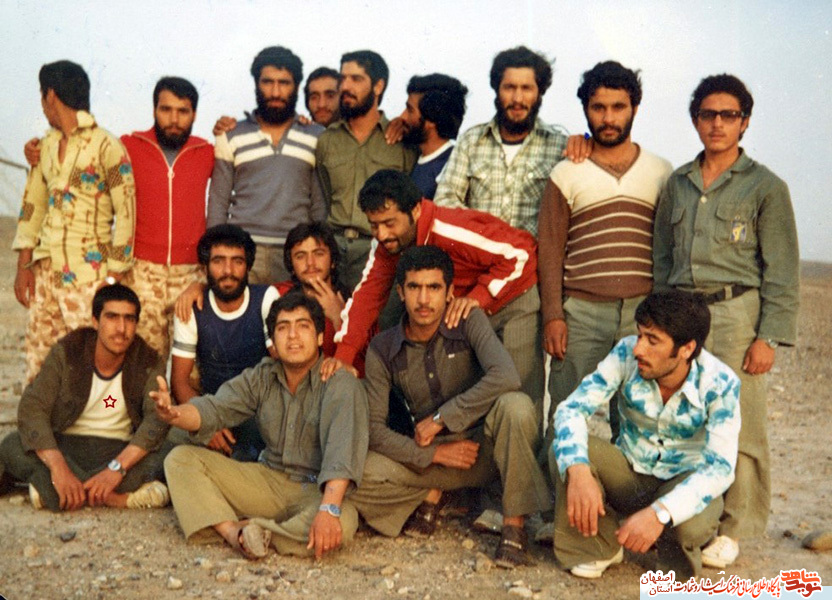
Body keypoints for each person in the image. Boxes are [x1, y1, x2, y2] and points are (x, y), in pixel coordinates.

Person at [653, 74, 799, 568]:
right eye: (708, 114)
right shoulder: (677, 184)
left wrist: (769, 337)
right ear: (696, 120)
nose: (717, 124)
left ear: (745, 122)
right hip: (681, 311)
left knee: (741, 422)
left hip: (737, 313)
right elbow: (661, 258)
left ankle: (735, 527)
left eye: (729, 115)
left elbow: (782, 270)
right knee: (683, 414)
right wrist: (660, 321)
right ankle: (691, 515)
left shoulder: (766, 187)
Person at [350, 246, 550, 568]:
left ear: (450, 292)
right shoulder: (382, 348)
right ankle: (434, 493)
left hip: (483, 452)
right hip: (432, 459)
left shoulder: (469, 320)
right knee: (359, 472)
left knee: (516, 406)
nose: (424, 299)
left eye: (434, 287)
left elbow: (506, 375)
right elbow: (374, 429)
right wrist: (433, 454)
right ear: (400, 292)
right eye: (414, 287)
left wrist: (442, 418)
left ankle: (514, 525)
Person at [155, 293, 369, 560]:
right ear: (273, 342)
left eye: (303, 326)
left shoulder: (340, 382)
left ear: (318, 338)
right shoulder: (262, 376)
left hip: (315, 489)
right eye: (283, 328)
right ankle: (234, 533)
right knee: (180, 459)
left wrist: (329, 510)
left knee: (342, 520)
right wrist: (174, 413)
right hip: (268, 480)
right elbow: (213, 409)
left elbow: (341, 454)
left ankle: (261, 533)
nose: (292, 336)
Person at [327, 170, 544, 425]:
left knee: (517, 398)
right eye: (374, 225)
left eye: (389, 223)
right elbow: (368, 294)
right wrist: (344, 355)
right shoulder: (387, 244)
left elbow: (521, 252)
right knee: (477, 397)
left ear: (416, 210)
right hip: (465, 313)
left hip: (511, 302)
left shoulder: (450, 228)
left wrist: (479, 296)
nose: (382, 234)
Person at [550, 291, 740, 580]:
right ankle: (599, 546)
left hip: (681, 481)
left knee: (689, 523)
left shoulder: (720, 382)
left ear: (687, 348)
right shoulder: (626, 353)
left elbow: (720, 468)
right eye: (640, 335)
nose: (639, 349)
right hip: (629, 474)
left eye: (653, 340)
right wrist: (578, 471)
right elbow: (571, 409)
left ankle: (669, 554)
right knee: (567, 450)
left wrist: (661, 513)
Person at [21, 77, 214, 358]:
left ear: (194, 114)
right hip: (141, 274)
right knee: (142, 361)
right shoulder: (128, 146)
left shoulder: (206, 152)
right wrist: (37, 149)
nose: (174, 119)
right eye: (166, 109)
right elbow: (82, 148)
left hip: (190, 274)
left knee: (190, 364)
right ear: (154, 110)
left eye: (183, 111)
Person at [538, 61, 672, 444]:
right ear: (586, 109)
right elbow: (550, 250)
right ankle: (557, 484)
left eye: (618, 107)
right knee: (567, 412)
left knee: (637, 419)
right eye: (598, 107)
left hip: (642, 314)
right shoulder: (566, 173)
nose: (608, 118)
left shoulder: (662, 172)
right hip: (581, 314)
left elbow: (669, 247)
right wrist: (553, 316)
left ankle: (625, 485)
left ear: (635, 109)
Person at [13, 60, 135, 383]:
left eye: (42, 97)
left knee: (94, 368)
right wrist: (24, 267)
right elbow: (32, 207)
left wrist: (114, 276)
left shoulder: (107, 146)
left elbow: (126, 211)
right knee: (40, 368)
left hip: (90, 278)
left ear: (50, 95)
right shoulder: (45, 148)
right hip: (45, 276)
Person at [0, 284, 170, 512]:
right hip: (66, 447)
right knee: (12, 444)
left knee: (171, 449)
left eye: (129, 319)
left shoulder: (148, 360)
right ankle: (116, 497)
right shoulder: (69, 351)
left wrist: (116, 469)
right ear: (95, 321)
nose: (121, 328)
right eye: (112, 317)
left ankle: (53, 490)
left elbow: (155, 419)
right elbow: (33, 406)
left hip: (120, 451)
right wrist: (58, 467)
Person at [207, 46, 326, 283]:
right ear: (256, 84)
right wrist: (216, 254)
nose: (275, 92)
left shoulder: (316, 136)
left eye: (284, 83)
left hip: (296, 253)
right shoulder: (230, 134)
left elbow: (319, 206)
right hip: (242, 253)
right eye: (267, 82)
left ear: (296, 87)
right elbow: (218, 203)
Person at [170, 225, 278, 462]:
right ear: (205, 267)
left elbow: (283, 364)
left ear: (248, 266)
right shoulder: (191, 307)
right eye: (218, 261)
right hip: (214, 412)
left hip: (260, 414)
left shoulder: (266, 298)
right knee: (172, 443)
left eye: (237, 261)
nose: (228, 271)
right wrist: (205, 423)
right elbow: (179, 381)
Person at [433, 46, 568, 236]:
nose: (517, 98)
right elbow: (444, 200)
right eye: (509, 87)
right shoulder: (471, 141)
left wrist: (586, 139)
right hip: (478, 251)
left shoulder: (560, 146)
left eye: (526, 88)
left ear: (540, 92)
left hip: (533, 254)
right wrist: (488, 234)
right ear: (497, 89)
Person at [316, 50, 417, 290]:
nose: (345, 86)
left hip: (381, 250)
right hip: (333, 249)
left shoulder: (400, 141)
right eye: (343, 79)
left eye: (356, 79)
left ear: (378, 86)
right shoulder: (327, 140)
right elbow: (324, 194)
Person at [398, 74, 468, 199]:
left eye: (410, 110)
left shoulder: (451, 168)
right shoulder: (413, 157)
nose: (402, 116)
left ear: (431, 120)